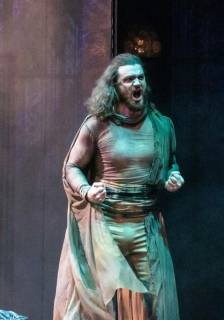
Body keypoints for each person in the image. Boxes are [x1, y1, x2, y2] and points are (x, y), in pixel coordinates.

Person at [53, 53, 184, 319]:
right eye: (129, 79)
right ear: (114, 86)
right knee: (106, 306)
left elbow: (169, 162)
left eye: (140, 78)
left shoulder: (161, 126)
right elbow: (72, 166)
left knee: (149, 306)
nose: (137, 84)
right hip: (106, 227)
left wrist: (173, 176)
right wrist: (87, 191)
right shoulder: (96, 125)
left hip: (144, 227)